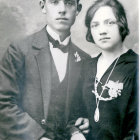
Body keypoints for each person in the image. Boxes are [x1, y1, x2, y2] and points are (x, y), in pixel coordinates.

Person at [0, 0, 90, 140]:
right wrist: (38, 137)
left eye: (69, 3)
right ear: (43, 6)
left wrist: (78, 128)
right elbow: (4, 103)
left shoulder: (84, 59)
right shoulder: (19, 50)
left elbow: (79, 110)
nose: (62, 9)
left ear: (78, 9)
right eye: (54, 2)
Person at [77, 0, 139, 139]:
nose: (102, 31)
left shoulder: (135, 67)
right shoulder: (86, 67)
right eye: (95, 25)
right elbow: (76, 111)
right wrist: (76, 130)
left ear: (121, 24)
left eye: (109, 23)